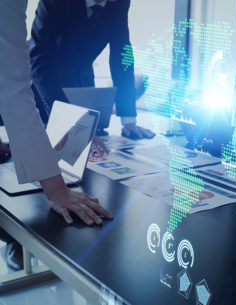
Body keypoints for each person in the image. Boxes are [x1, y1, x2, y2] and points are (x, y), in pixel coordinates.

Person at [0, 0, 114, 270]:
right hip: (43, 87)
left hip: (73, 81)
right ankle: (16, 242)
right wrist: (56, 188)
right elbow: (14, 85)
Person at [29, 0, 155, 139]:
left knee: (88, 146)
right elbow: (39, 60)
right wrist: (68, 121)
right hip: (42, 88)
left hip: (83, 86)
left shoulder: (120, 2)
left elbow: (122, 57)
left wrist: (128, 119)